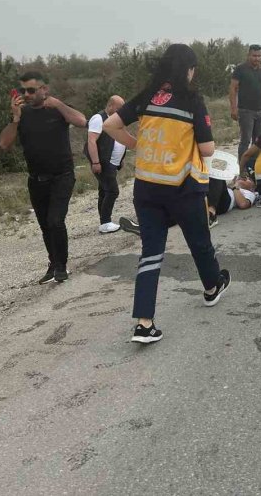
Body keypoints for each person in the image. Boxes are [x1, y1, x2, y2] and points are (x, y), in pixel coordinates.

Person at [103, 43, 231, 345]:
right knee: (199, 241)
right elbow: (207, 149)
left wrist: (137, 144)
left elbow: (110, 124)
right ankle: (212, 287)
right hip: (182, 187)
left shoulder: (147, 95)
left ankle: (144, 323)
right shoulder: (192, 100)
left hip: (146, 187)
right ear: (188, 70)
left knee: (151, 253)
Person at [0, 71, 87, 284]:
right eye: (23, 90)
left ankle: (62, 267)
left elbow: (82, 121)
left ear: (44, 89)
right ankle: (54, 263)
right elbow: (4, 144)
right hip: (36, 179)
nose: (26, 94)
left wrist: (58, 105)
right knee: (45, 225)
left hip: (62, 176)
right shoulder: (22, 114)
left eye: (31, 90)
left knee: (55, 221)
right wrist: (15, 119)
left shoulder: (56, 109)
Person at [117, 176, 257, 234]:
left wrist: (235, 187)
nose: (243, 178)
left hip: (224, 202)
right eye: (242, 177)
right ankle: (147, 229)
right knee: (182, 207)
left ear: (252, 186)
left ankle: (211, 214)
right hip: (212, 197)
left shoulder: (249, 193)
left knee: (217, 178)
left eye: (247, 179)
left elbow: (243, 204)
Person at [86, 95, 126, 234]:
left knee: (104, 191)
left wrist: (120, 159)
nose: (121, 111)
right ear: (110, 106)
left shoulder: (113, 120)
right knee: (113, 191)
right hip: (103, 162)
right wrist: (96, 162)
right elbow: (91, 141)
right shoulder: (98, 119)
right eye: (119, 108)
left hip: (112, 163)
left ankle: (104, 221)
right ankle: (105, 222)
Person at [229, 44, 261, 161]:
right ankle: (242, 168)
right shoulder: (240, 69)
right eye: (254, 56)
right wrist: (233, 109)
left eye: (259, 56)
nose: (257, 58)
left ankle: (254, 166)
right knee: (245, 141)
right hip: (245, 111)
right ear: (249, 55)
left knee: (258, 141)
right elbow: (233, 89)